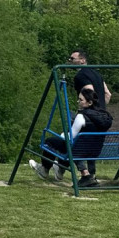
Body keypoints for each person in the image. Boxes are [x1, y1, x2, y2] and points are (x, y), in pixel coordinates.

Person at [29, 87, 113, 187]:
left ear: (90, 103)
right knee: (72, 147)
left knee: (50, 141)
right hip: (95, 150)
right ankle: (60, 170)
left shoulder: (81, 117)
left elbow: (70, 137)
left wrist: (62, 134)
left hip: (79, 150)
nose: (78, 102)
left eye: (81, 100)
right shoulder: (104, 118)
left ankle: (44, 170)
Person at [69, 49, 111, 182]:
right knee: (93, 144)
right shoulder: (97, 74)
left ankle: (85, 174)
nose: (69, 61)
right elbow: (108, 94)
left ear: (82, 60)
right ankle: (91, 174)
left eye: (72, 58)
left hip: (89, 115)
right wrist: (100, 109)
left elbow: (89, 92)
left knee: (73, 140)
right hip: (102, 116)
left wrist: (87, 110)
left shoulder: (80, 76)